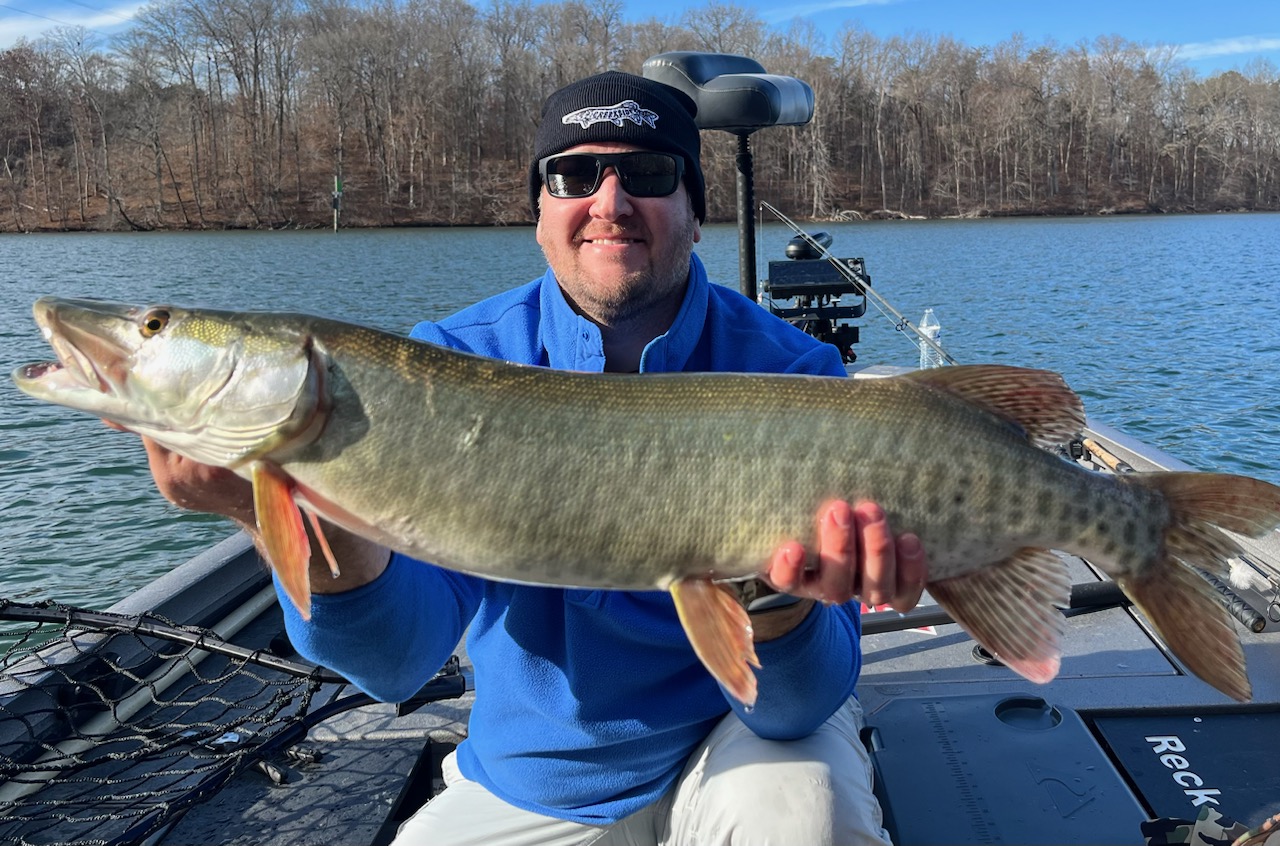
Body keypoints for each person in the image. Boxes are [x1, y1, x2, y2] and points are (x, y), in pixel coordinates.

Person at [131, 71, 928, 845]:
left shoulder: (795, 373)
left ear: (694, 214)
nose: (609, 203)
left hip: (745, 742)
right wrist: (270, 511)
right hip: (543, 774)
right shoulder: (446, 363)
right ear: (539, 214)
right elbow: (396, 662)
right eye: (573, 176)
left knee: (805, 818)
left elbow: (794, 709)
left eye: (648, 175)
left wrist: (773, 601)